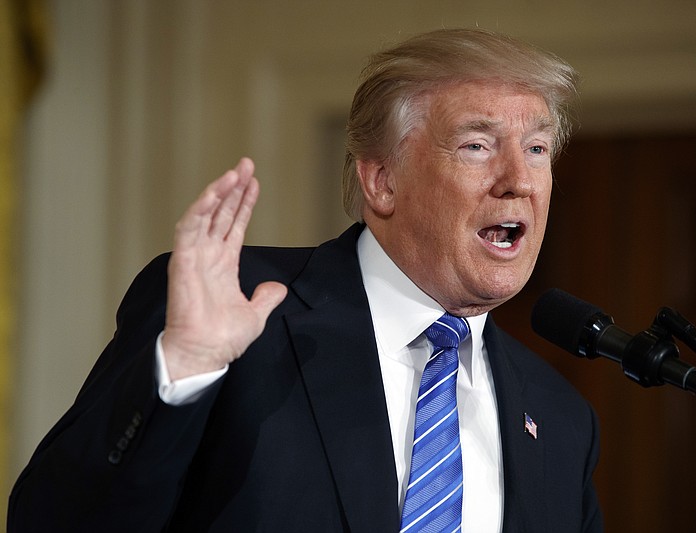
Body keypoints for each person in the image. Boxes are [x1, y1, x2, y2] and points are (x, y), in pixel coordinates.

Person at [8, 28, 602, 532]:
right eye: (477, 145)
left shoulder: (559, 419)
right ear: (382, 182)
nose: (518, 179)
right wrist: (184, 369)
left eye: (538, 148)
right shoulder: (238, 309)